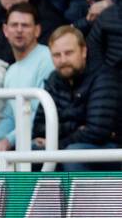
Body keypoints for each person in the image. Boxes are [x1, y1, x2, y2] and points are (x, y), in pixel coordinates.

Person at [34, 25, 119, 171]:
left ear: (84, 51)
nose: (63, 60)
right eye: (56, 55)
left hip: (110, 148)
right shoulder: (54, 79)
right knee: (27, 151)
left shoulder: (104, 76)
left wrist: (56, 144)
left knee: (73, 155)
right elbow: (39, 127)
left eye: (69, 53)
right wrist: (75, 126)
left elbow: (97, 131)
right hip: (70, 143)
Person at [0, 2, 55, 151]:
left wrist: (7, 141)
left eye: (25, 25)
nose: (19, 30)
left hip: (41, 144)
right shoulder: (11, 71)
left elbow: (39, 117)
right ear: (5, 30)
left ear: (37, 30)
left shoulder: (47, 59)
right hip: (20, 141)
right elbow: (10, 119)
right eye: (14, 25)